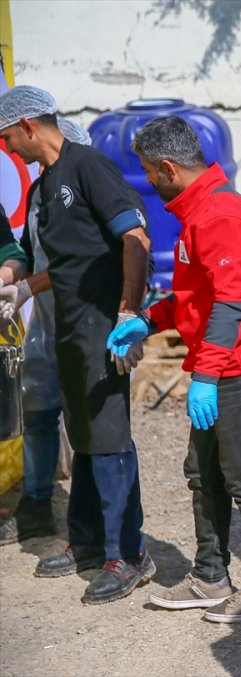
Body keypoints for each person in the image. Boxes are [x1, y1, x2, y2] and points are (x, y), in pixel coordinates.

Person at [108, 115, 241, 623]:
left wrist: (206, 375)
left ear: (169, 168)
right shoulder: (200, 212)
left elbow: (232, 305)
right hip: (224, 365)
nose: (148, 182)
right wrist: (147, 319)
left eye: (149, 173)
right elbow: (196, 299)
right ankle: (210, 576)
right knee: (203, 474)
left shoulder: (219, 215)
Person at [0, 85, 155, 604]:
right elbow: (48, 259)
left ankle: (129, 554)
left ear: (27, 126)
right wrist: (17, 282)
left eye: (8, 139)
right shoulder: (44, 189)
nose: (9, 151)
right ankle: (88, 541)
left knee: (109, 439)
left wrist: (130, 314)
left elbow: (135, 237)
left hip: (102, 327)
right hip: (66, 327)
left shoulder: (86, 164)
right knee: (84, 432)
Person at [0, 119, 89, 546]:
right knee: (37, 412)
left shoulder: (90, 190)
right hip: (45, 323)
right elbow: (25, 252)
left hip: (83, 321)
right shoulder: (37, 196)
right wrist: (13, 282)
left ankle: (91, 525)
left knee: (90, 424)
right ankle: (35, 505)